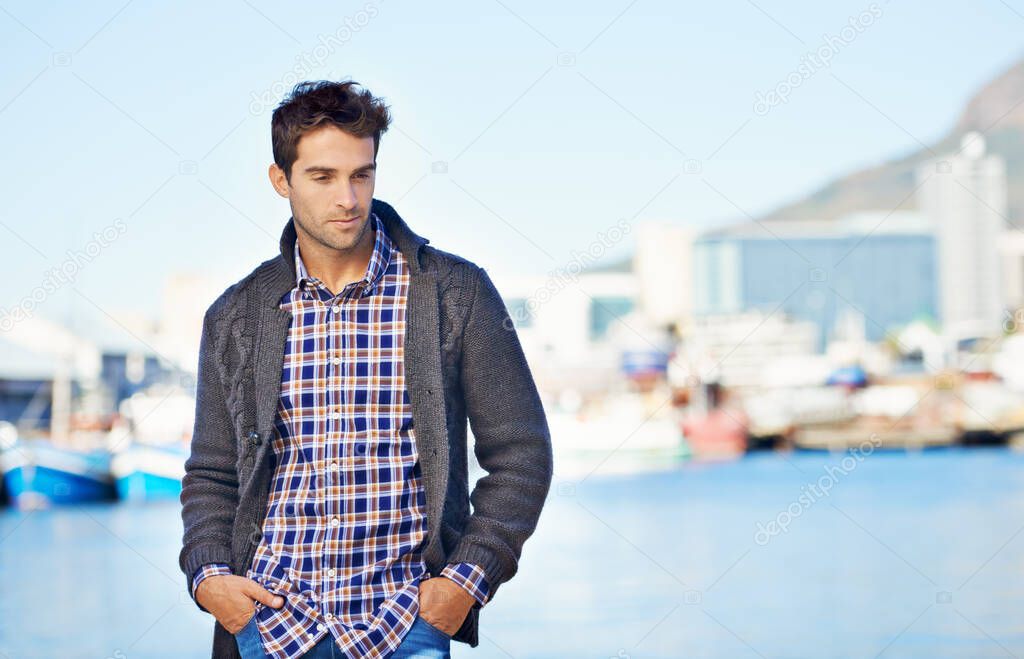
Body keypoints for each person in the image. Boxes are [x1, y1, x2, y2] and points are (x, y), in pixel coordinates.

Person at [178, 79, 553, 659]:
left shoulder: (454, 292)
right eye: (323, 177)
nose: (348, 199)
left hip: (403, 627)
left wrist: (466, 582)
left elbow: (522, 454)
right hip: (271, 630)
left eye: (362, 174)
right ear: (282, 181)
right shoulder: (235, 315)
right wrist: (210, 581)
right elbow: (211, 473)